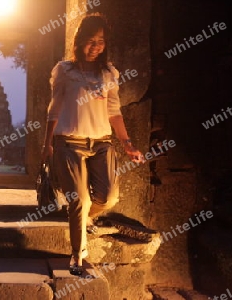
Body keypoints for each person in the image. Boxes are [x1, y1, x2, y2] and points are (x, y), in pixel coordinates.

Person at [41, 14, 144, 275]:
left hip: (101, 143)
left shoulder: (109, 73)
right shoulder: (64, 70)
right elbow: (54, 109)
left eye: (100, 41)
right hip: (69, 143)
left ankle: (86, 217)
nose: (95, 46)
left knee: (108, 197)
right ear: (78, 42)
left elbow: (115, 112)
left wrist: (128, 144)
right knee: (79, 200)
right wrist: (47, 144)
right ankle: (78, 257)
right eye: (90, 41)